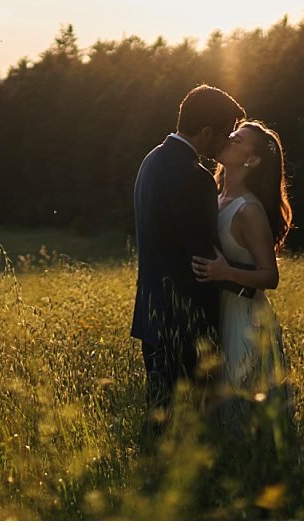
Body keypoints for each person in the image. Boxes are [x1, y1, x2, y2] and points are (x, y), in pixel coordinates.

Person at [130, 84, 247, 427]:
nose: (225, 142)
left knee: (162, 422)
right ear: (206, 131)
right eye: (223, 134)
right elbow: (206, 264)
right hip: (186, 327)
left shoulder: (151, 160)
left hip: (152, 320)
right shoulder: (194, 178)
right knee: (191, 433)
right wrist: (252, 285)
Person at [191, 120, 294, 416]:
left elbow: (270, 276)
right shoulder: (216, 196)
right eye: (232, 135)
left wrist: (225, 273)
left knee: (244, 407)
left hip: (246, 320)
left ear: (252, 160)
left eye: (238, 141)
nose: (228, 139)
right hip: (218, 312)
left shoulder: (249, 209)